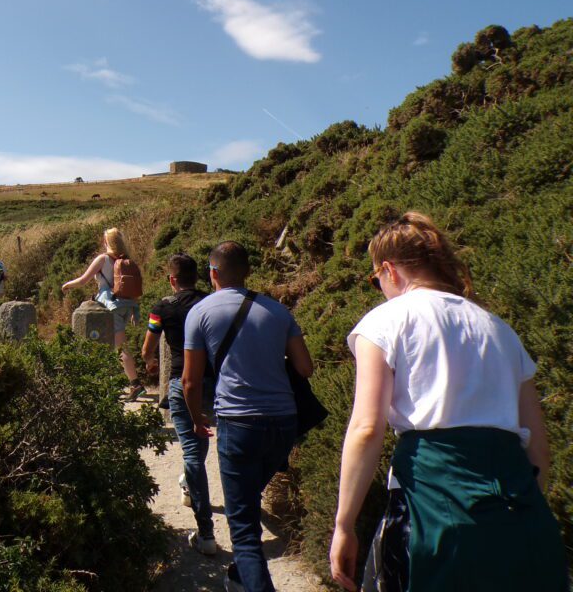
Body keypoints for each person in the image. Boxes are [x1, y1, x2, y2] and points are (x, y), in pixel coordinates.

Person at [330, 212, 567, 592]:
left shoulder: (386, 321)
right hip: (522, 514)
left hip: (433, 504)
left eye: (376, 280)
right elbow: (539, 448)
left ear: (389, 270)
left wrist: (344, 526)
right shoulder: (500, 330)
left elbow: (367, 428)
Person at [183, 241, 313, 592]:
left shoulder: (200, 312)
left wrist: (197, 420)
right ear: (247, 272)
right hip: (284, 423)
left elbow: (191, 380)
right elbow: (305, 367)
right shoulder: (278, 311)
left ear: (212, 272)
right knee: (248, 498)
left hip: (238, 424)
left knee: (243, 531)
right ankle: (240, 576)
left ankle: (251, 579)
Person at [142, 253, 215, 554]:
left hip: (179, 381)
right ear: (197, 277)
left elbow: (148, 347)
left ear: (172, 279)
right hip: (211, 382)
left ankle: (207, 532)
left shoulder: (162, 307)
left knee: (193, 452)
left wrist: (149, 364)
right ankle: (189, 480)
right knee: (199, 444)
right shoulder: (210, 302)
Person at [61, 227, 143, 399]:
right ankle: (117, 381)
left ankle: (135, 384)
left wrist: (67, 285)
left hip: (111, 306)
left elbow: (84, 280)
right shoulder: (127, 260)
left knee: (121, 347)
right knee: (115, 346)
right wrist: (135, 311)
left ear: (106, 242)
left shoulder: (103, 259)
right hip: (128, 305)